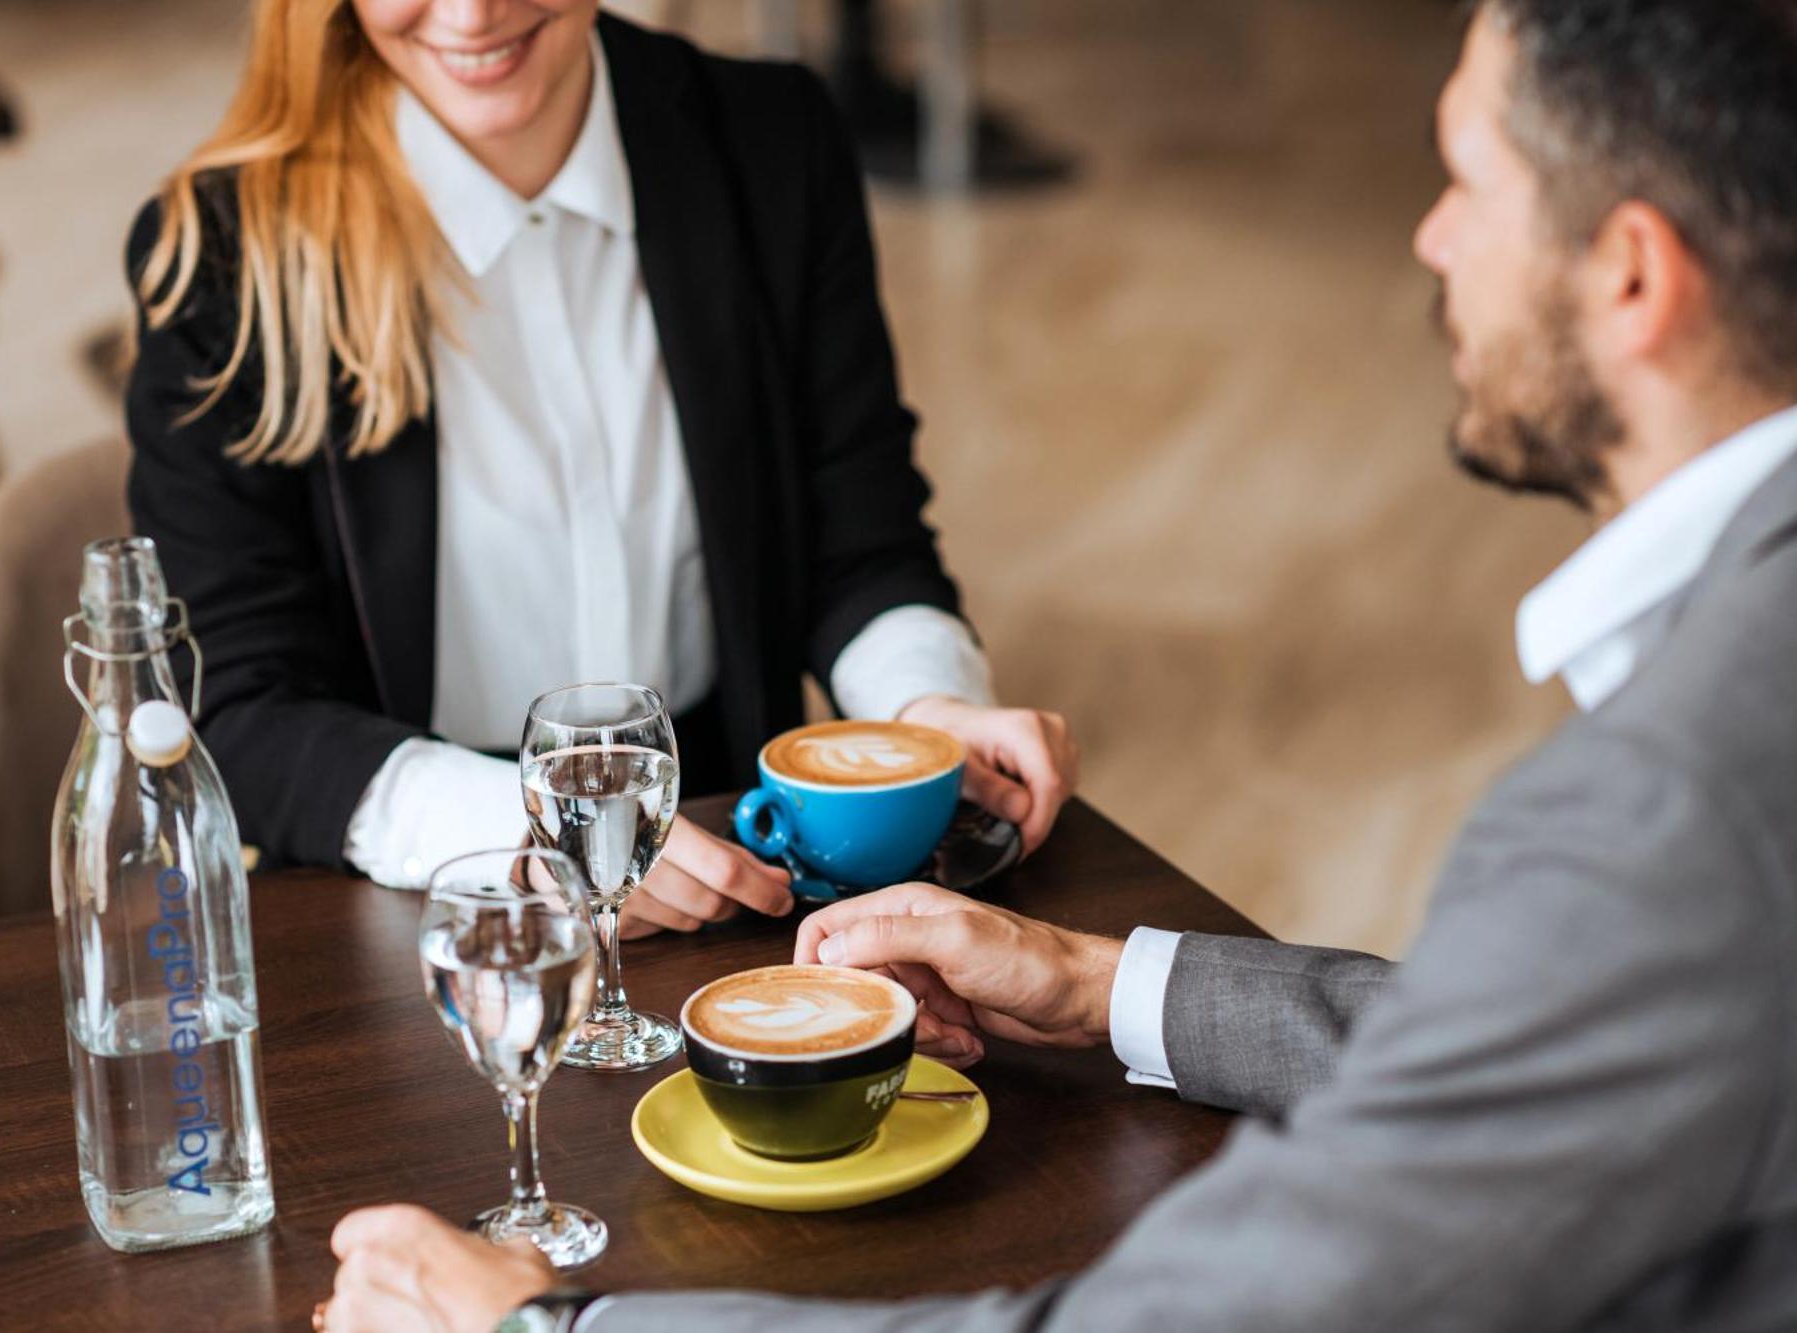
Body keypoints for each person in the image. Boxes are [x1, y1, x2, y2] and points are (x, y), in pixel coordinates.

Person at [318, 0, 1797, 1326]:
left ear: (1630, 276)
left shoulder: (1668, 808)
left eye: (1467, 183)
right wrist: (1100, 986)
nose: (1428, 237)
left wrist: (546, 1330)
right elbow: (1545, 1058)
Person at [123, 0, 1078, 937]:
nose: (472, 11)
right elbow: (238, 710)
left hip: (735, 880)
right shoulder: (224, 251)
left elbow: (860, 544)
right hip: (414, 912)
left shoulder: (772, 140)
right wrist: (545, 834)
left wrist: (926, 712)